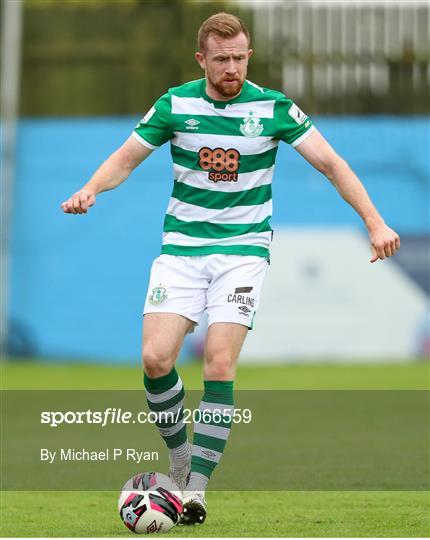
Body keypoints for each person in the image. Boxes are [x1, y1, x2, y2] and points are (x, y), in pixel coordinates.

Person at [61, 12, 400, 525]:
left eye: (240, 57)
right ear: (202, 59)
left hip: (243, 252)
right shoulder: (176, 104)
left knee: (219, 364)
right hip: (181, 250)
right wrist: (91, 188)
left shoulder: (273, 108)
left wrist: (375, 223)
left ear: (249, 55)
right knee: (155, 360)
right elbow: (126, 159)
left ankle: (194, 490)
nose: (232, 68)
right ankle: (179, 461)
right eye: (222, 59)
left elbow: (331, 164)